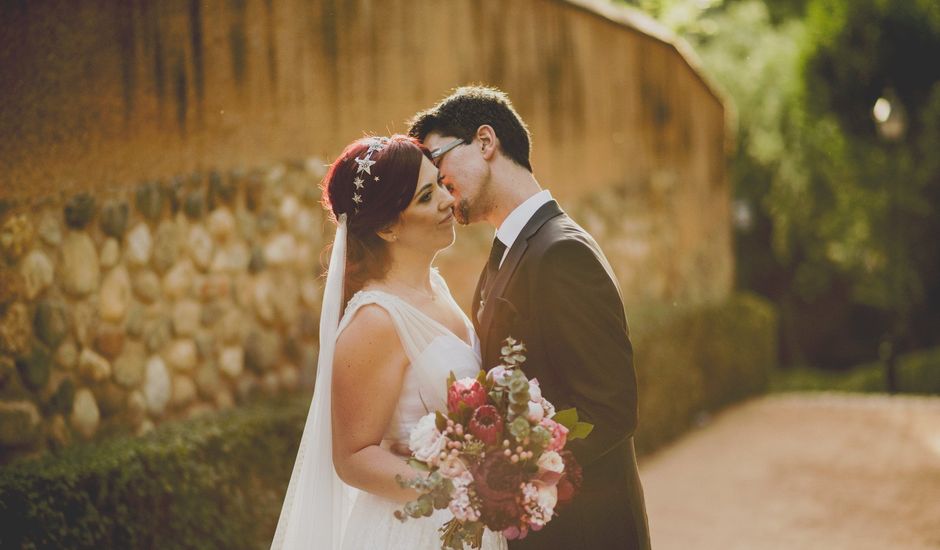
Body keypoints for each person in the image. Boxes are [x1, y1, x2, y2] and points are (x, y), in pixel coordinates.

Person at [409, 86, 651, 550]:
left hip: (586, 533)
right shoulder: (508, 252)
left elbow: (612, 408)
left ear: (485, 142)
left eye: (438, 163)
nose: (440, 186)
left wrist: (506, 475)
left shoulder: (561, 251)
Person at [270, 135, 506, 550]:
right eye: (426, 197)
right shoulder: (375, 321)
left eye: (441, 184)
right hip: (415, 530)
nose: (448, 202)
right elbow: (353, 458)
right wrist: (453, 488)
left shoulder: (435, 287)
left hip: (470, 522)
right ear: (386, 227)